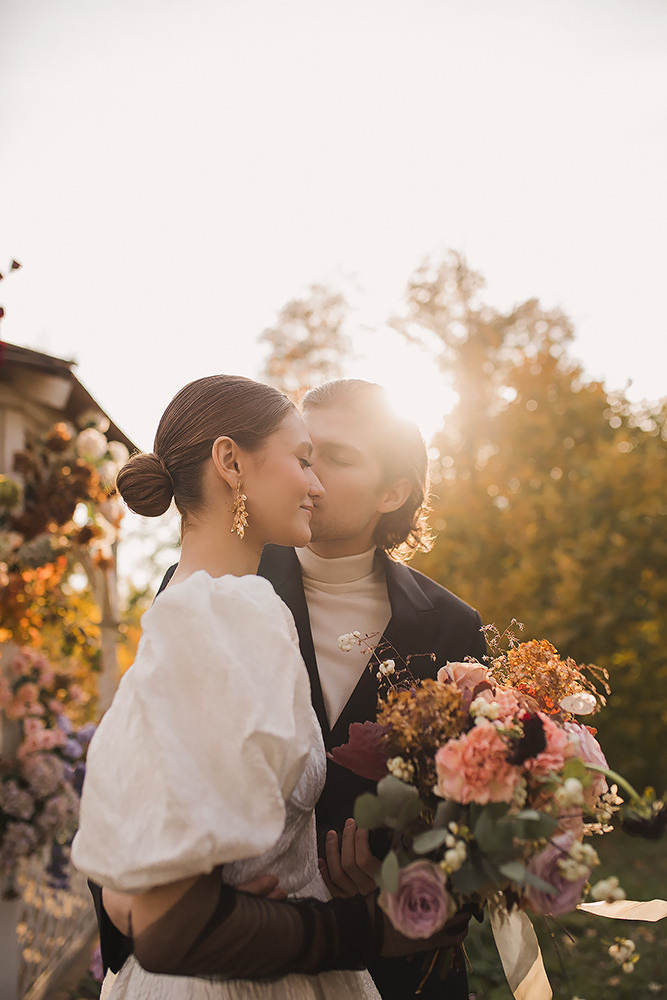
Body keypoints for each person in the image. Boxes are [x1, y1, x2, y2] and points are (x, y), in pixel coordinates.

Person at [73, 374, 470, 1000]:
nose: (314, 480)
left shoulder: (450, 626)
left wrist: (403, 874)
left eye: (332, 460)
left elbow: (461, 802)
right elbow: (149, 768)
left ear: (392, 491)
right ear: (232, 463)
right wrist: (132, 902)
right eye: (305, 455)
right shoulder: (218, 599)